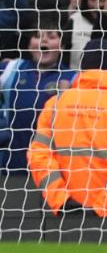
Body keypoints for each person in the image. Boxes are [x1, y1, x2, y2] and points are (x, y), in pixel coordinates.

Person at [28, 38, 107, 217]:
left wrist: (62, 201)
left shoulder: (55, 104)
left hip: (66, 218)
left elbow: (38, 156)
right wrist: (102, 207)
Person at [0, 14, 75, 174]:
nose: (44, 41)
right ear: (29, 45)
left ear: (62, 46)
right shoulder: (11, 68)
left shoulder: (72, 78)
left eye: (51, 36)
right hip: (12, 163)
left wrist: (66, 97)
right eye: (37, 36)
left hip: (52, 167)